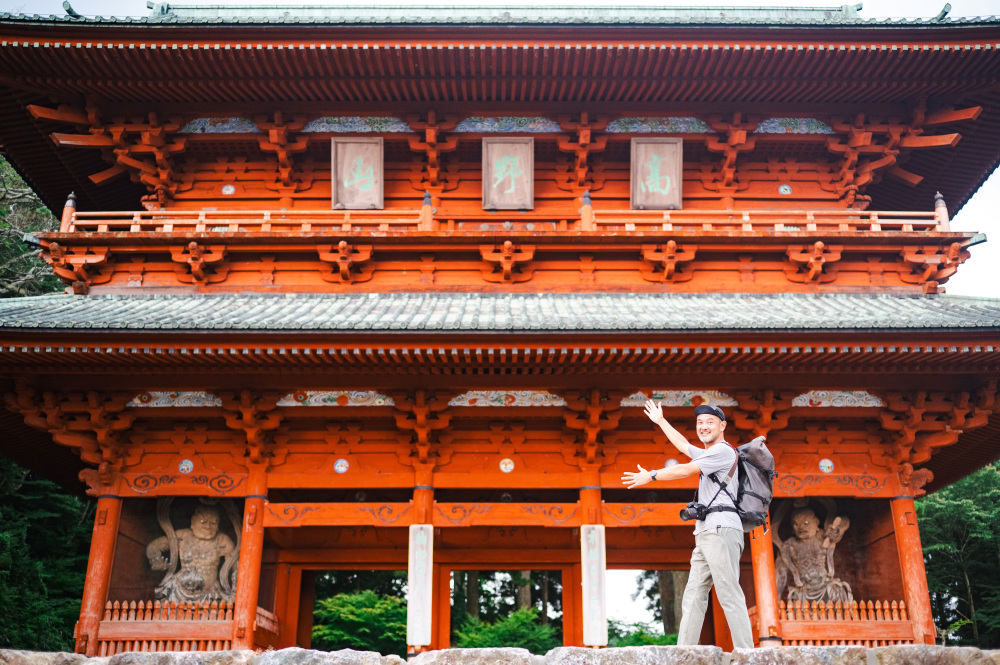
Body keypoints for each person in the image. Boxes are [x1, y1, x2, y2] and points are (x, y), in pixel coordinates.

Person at [621, 400, 754, 650]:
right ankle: (684, 653)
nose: (703, 427)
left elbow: (685, 470)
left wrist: (650, 475)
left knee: (728, 592)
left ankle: (747, 654)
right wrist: (661, 421)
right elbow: (683, 445)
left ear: (722, 425)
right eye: (700, 423)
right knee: (693, 595)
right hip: (706, 530)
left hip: (721, 528)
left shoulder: (723, 451)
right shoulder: (710, 453)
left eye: (710, 422)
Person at [146, 504, 237, 603]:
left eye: (213, 523)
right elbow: (154, 546)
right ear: (193, 521)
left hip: (208, 595)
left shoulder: (222, 541)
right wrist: (155, 559)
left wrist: (235, 592)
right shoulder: (183, 536)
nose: (208, 526)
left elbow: (237, 568)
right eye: (203, 521)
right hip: (177, 591)